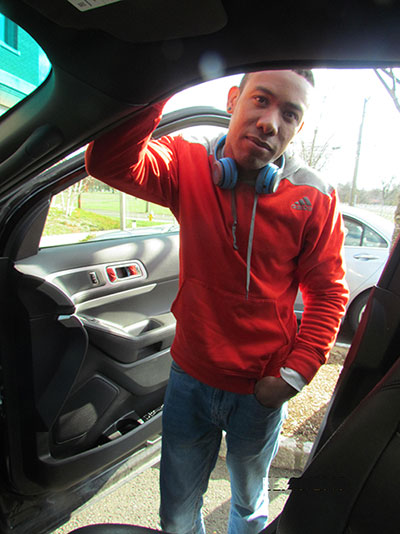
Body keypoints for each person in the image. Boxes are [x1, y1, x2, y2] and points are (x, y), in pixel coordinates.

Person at [85, 69, 349, 534]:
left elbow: (328, 293)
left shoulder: (316, 196)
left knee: (248, 504)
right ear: (233, 99)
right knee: (176, 514)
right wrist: (158, 80)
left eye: (289, 114)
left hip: (260, 391)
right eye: (261, 100)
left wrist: (292, 377)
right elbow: (110, 162)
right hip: (189, 380)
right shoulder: (187, 162)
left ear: (299, 128)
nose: (270, 122)